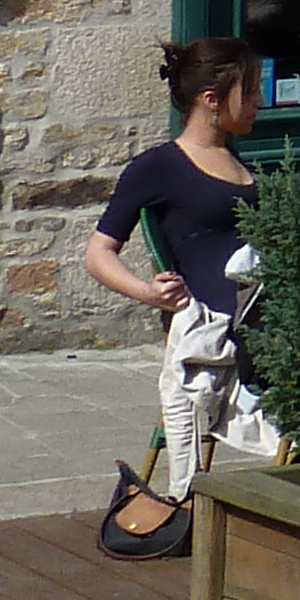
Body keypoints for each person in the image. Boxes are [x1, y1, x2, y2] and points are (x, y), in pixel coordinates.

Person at [86, 40, 277, 550]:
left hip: (263, 305)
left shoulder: (240, 162)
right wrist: (149, 293)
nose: (260, 100)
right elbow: (98, 253)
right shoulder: (159, 166)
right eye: (251, 89)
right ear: (212, 99)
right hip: (225, 323)